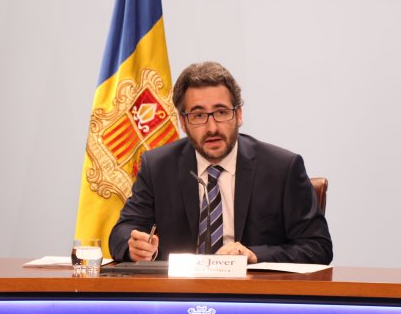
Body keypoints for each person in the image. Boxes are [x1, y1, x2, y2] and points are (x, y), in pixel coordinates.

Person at [109, 61, 332, 264]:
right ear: (183, 122)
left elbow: (318, 247)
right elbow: (122, 232)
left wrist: (255, 255)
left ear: (239, 115)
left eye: (222, 112)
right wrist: (134, 247)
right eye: (198, 115)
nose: (212, 128)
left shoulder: (281, 168)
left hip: (253, 292)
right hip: (179, 291)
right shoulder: (158, 167)